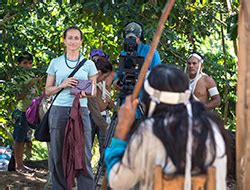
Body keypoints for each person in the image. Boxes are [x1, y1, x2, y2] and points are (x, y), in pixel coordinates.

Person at [105, 64, 229, 190]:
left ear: (150, 100)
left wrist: (121, 130)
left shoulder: (150, 131)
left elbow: (118, 181)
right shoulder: (212, 128)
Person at [45, 26, 98, 190]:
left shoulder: (89, 64)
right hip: (58, 110)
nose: (73, 41)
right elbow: (47, 91)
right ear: (64, 40)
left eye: (77, 38)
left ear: (81, 41)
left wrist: (85, 93)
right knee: (58, 154)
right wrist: (62, 84)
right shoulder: (55, 62)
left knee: (84, 153)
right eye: (70, 38)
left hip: (81, 110)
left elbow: (94, 91)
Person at [12, 52, 37, 172]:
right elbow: (17, 97)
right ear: (19, 64)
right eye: (25, 63)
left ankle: (21, 163)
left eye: (30, 63)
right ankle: (18, 165)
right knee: (19, 139)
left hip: (30, 112)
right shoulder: (17, 78)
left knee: (26, 139)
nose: (28, 65)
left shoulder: (31, 74)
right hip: (21, 111)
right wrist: (28, 85)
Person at [88, 54, 113, 157]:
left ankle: (103, 168)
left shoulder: (100, 84)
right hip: (89, 116)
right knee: (87, 144)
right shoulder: (88, 83)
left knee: (104, 144)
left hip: (100, 115)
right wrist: (106, 126)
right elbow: (94, 108)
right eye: (104, 76)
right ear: (98, 73)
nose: (104, 79)